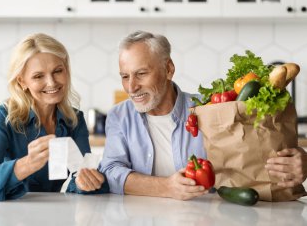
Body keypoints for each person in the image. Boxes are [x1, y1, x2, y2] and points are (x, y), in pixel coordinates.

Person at [98, 30, 307, 200]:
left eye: (141, 73)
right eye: (125, 76)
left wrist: (299, 161)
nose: (132, 87)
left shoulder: (210, 108)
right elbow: (110, 171)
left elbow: (252, 153)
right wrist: (166, 187)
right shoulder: (119, 116)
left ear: (168, 69)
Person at [0, 33, 107, 201]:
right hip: (11, 215)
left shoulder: (74, 119)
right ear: (22, 82)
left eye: (58, 71)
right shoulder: (3, 116)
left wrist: (84, 183)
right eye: (38, 76)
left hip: (54, 213)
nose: (52, 83)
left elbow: (80, 175)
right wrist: (27, 164)